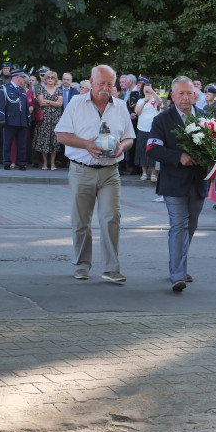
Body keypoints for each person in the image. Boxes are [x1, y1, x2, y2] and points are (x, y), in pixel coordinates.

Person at [54, 64, 135, 282]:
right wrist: (85, 145)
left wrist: (122, 147)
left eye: (110, 83)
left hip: (110, 172)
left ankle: (111, 268)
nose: (105, 88)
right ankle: (82, 265)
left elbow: (129, 137)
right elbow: (61, 134)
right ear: (91, 82)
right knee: (81, 221)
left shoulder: (119, 106)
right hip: (82, 170)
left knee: (111, 218)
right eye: (101, 83)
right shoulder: (76, 103)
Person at [146, 76, 208, 292]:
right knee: (179, 225)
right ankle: (178, 275)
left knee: (191, 226)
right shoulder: (162, 119)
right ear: (172, 96)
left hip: (198, 181)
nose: (185, 97)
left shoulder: (205, 117)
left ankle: (177, 265)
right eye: (180, 93)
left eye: (189, 93)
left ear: (195, 95)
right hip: (173, 183)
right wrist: (178, 156)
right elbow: (152, 149)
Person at [0, 67, 30, 170]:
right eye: (22, 77)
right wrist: (1, 119)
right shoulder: (4, 88)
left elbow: (26, 108)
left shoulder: (22, 90)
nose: (24, 79)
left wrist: (28, 119)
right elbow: (1, 106)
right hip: (10, 120)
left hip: (21, 121)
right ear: (17, 77)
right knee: (7, 143)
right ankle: (6, 162)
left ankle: (22, 163)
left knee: (22, 144)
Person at [33, 70, 64, 170]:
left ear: (55, 79)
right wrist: (53, 102)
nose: (50, 79)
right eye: (48, 77)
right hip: (44, 119)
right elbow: (41, 103)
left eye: (52, 77)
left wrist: (48, 101)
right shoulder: (41, 90)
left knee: (54, 142)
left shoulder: (59, 90)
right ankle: (45, 163)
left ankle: (53, 164)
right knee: (44, 141)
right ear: (45, 80)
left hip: (55, 119)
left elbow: (60, 104)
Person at [134, 82, 162, 180]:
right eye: (145, 88)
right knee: (142, 149)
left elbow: (160, 103)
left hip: (154, 129)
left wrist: (152, 92)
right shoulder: (140, 100)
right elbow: (137, 112)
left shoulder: (155, 99)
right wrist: (145, 102)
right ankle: (144, 173)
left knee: (154, 149)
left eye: (148, 88)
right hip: (142, 128)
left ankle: (154, 173)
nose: (147, 90)